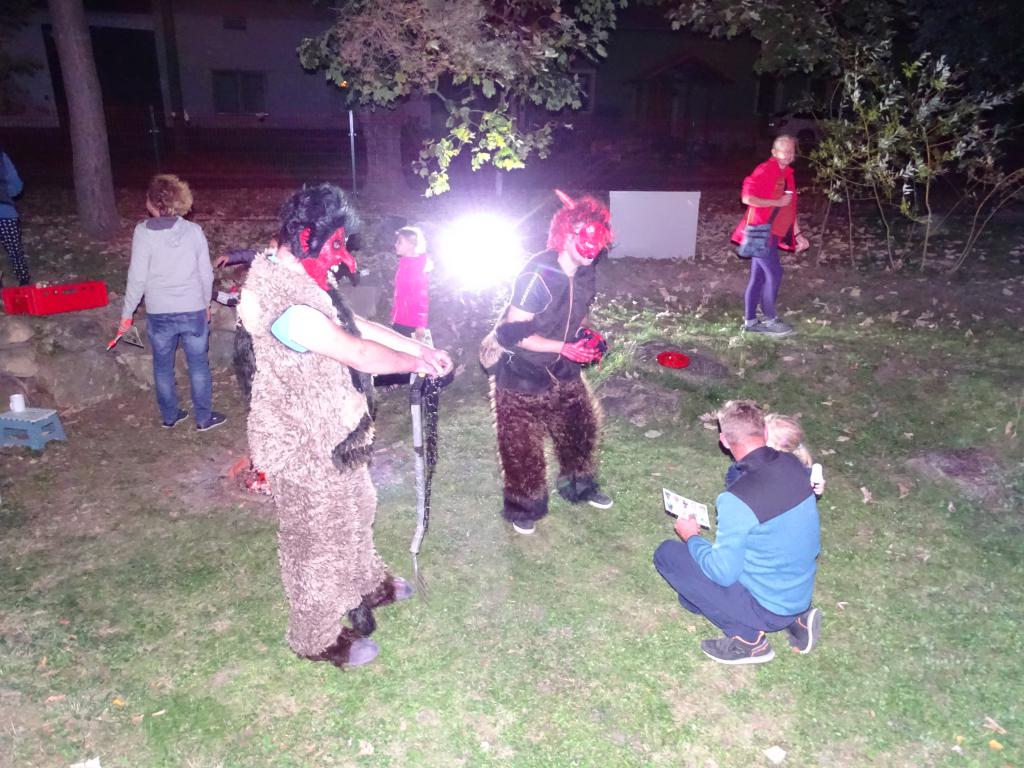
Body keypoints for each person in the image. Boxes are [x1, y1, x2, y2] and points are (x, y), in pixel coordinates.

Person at [236, 183, 452, 669]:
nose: (343, 258)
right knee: (316, 541)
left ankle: (365, 583)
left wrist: (418, 349)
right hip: (300, 441)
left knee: (358, 505)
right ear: (306, 238)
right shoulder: (282, 302)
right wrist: (414, 364)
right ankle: (315, 636)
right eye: (335, 244)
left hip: (336, 428)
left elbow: (350, 322)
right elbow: (356, 351)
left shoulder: (298, 274)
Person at [653, 400, 821, 665]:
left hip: (768, 607)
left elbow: (722, 572)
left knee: (668, 555)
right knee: (693, 596)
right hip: (797, 595)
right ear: (765, 432)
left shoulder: (737, 500)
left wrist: (691, 536)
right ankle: (797, 622)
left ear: (723, 441)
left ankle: (749, 641)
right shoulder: (793, 465)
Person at [486, 190, 614, 536]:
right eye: (585, 239)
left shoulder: (586, 272)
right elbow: (513, 333)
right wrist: (565, 347)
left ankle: (579, 487)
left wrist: (586, 335)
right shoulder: (538, 274)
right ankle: (524, 507)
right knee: (522, 449)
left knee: (579, 431)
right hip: (522, 373)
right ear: (566, 235)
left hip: (563, 370)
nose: (592, 249)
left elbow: (574, 314)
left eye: (598, 242)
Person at [118, 174, 224, 431]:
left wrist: (126, 314)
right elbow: (206, 273)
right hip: (192, 310)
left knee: (162, 366)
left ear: (154, 202)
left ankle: (170, 416)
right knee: (198, 364)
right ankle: (203, 418)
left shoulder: (143, 233)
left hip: (160, 313)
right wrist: (206, 305)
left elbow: (137, 278)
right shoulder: (193, 231)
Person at [730, 135, 810, 337]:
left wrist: (798, 234)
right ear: (774, 152)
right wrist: (775, 202)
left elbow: (789, 209)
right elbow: (747, 198)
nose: (789, 154)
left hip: (774, 233)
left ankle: (750, 323)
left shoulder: (788, 174)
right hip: (760, 231)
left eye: (792, 151)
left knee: (758, 277)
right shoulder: (764, 170)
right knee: (775, 273)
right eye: (785, 150)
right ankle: (770, 320)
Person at [726, 412, 825, 497]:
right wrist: (817, 489)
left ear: (777, 448)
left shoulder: (745, 471)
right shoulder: (803, 472)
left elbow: (735, 484)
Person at [390, 225, 432, 340]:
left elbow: (421, 297)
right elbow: (401, 294)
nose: (396, 244)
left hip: (410, 323)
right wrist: (394, 315)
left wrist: (420, 325)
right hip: (401, 319)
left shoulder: (416, 268)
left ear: (411, 244)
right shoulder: (405, 264)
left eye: (400, 242)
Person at [0, 147, 32, 286]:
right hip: (4, 210)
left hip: (4, 209)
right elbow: (16, 186)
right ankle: (23, 279)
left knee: (14, 248)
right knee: (14, 249)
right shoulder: (2, 157)